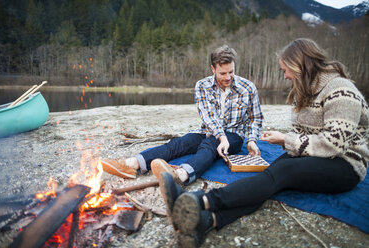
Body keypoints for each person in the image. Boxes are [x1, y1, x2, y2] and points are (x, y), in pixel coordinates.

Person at [158, 38, 369, 247]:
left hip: (345, 164)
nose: (285, 75)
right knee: (269, 179)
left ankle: (200, 201)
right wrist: (285, 141)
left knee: (283, 171)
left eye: (286, 70)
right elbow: (303, 134)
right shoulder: (303, 91)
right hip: (314, 156)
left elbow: (334, 143)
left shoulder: (341, 90)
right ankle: (207, 222)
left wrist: (285, 139)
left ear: (300, 66)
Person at [100, 45, 263, 186]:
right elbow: (208, 117)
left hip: (234, 135)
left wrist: (252, 141)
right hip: (208, 130)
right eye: (222, 73)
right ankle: (131, 164)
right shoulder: (202, 86)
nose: (228, 77)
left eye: (231, 72)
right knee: (178, 144)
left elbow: (255, 119)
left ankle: (180, 176)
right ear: (213, 69)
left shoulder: (248, 88)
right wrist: (221, 136)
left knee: (209, 146)